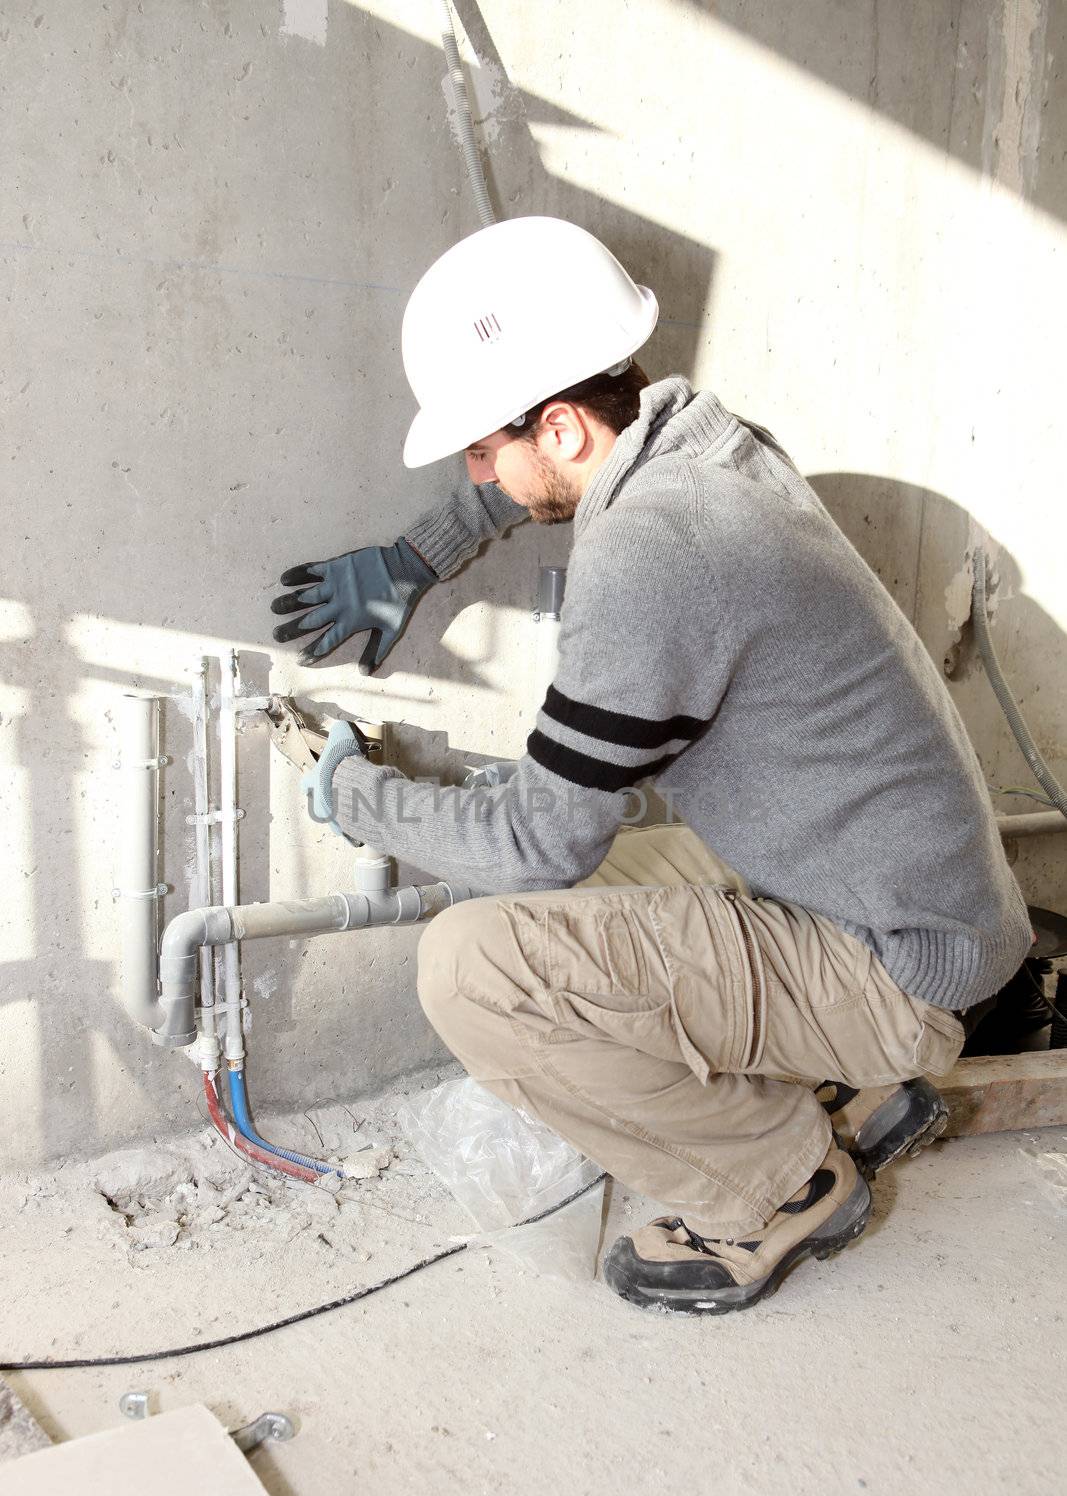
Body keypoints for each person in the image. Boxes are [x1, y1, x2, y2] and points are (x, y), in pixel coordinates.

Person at [270, 217, 1032, 1314]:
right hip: (939, 921)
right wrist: (418, 553)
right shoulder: (706, 442)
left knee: (475, 966)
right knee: (632, 869)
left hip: (894, 968)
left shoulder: (648, 558)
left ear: (566, 426)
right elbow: (541, 465)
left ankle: (780, 1182)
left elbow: (536, 847)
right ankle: (842, 1081)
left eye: (481, 450)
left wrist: (355, 797)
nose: (478, 474)